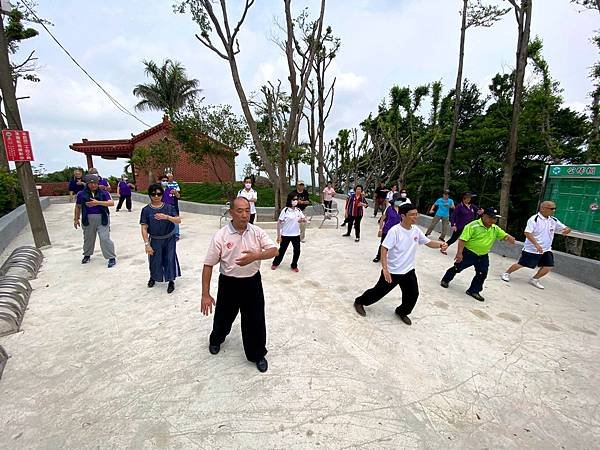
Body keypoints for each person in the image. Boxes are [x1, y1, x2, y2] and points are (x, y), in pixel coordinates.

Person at [201, 197, 278, 373]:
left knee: (255, 319)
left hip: (252, 282)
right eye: (240, 211)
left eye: (247, 210)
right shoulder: (221, 235)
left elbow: (274, 250)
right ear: (231, 213)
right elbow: (208, 265)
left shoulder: (257, 232)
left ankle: (257, 354)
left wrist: (256, 256)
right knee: (223, 316)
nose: (244, 215)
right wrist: (205, 294)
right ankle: (216, 339)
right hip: (229, 283)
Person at [354, 203, 448, 325]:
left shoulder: (415, 230)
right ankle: (360, 301)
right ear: (403, 216)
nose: (416, 217)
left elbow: (428, 242)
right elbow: (384, 248)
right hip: (393, 271)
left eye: (416, 214)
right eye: (412, 215)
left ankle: (402, 312)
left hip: (408, 271)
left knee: (413, 294)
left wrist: (440, 244)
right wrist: (385, 269)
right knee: (378, 292)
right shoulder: (395, 231)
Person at [440, 208, 516, 302]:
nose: (492, 221)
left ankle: (474, 290)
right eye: (490, 218)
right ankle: (445, 279)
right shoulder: (473, 226)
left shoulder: (494, 228)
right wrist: (459, 254)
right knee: (458, 267)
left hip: (483, 255)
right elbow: (463, 240)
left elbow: (504, 236)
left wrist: (509, 238)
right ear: (484, 216)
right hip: (469, 252)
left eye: (495, 219)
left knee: (482, 273)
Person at [500, 201, 571, 290]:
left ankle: (534, 279)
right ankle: (507, 273)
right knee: (522, 264)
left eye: (554, 209)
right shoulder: (534, 219)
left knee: (548, 266)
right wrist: (536, 245)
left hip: (546, 249)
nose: (553, 211)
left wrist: (567, 230)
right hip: (532, 248)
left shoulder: (553, 220)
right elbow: (527, 232)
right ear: (543, 208)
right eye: (552, 209)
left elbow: (565, 228)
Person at [140, 183, 181, 293]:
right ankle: (153, 277)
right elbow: (144, 228)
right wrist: (147, 244)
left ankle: (171, 280)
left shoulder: (168, 207)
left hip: (169, 238)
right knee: (154, 260)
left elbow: (178, 220)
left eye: (159, 194)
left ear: (162, 195)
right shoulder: (146, 210)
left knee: (169, 258)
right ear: (150, 195)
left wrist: (166, 217)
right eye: (153, 194)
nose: (156, 196)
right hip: (155, 239)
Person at [73, 174, 117, 268]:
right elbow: (78, 206)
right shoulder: (81, 194)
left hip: (102, 218)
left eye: (95, 183)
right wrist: (76, 219)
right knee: (88, 238)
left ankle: (111, 257)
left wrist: (97, 203)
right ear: (87, 184)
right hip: (87, 218)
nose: (93, 185)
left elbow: (111, 203)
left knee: (104, 238)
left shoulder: (103, 193)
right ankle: (87, 254)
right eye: (91, 183)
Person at [271, 193, 307, 272]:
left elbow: (303, 219)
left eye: (296, 199)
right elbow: (279, 223)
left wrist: (302, 220)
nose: (295, 201)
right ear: (290, 200)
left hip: (296, 235)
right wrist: (278, 235)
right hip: (286, 235)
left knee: (297, 251)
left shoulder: (298, 210)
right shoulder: (285, 210)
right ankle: (275, 263)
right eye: (294, 199)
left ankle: (294, 265)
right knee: (282, 250)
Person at [373, 196, 403, 263]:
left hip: (397, 231)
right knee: (383, 244)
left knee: (395, 246)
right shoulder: (389, 209)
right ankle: (378, 256)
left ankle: (391, 258)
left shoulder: (402, 210)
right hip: (387, 230)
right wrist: (380, 229)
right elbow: (382, 219)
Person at [160, 175, 181, 240]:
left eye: (166, 181)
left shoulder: (170, 189)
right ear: (160, 181)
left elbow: (178, 196)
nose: (165, 182)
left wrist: (176, 193)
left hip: (172, 207)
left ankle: (176, 235)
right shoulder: (158, 190)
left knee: (175, 220)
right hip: (162, 207)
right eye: (163, 181)